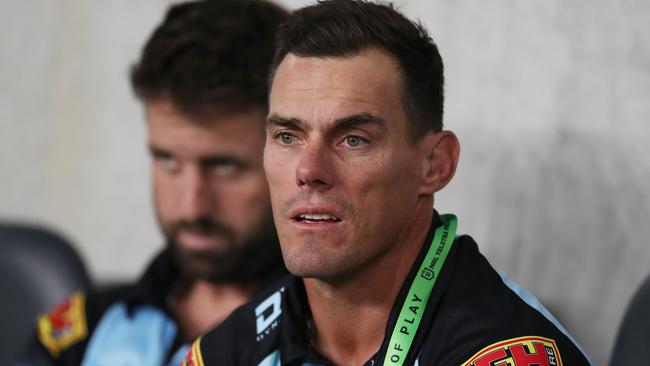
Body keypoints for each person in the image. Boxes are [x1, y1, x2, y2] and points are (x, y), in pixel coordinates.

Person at [185, 0, 593, 365]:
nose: (308, 170)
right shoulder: (226, 352)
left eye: (353, 139)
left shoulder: (507, 353)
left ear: (435, 164)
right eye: (288, 136)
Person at [19, 1, 288, 365]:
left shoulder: (342, 342)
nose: (191, 206)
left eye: (224, 166)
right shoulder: (83, 332)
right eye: (167, 160)